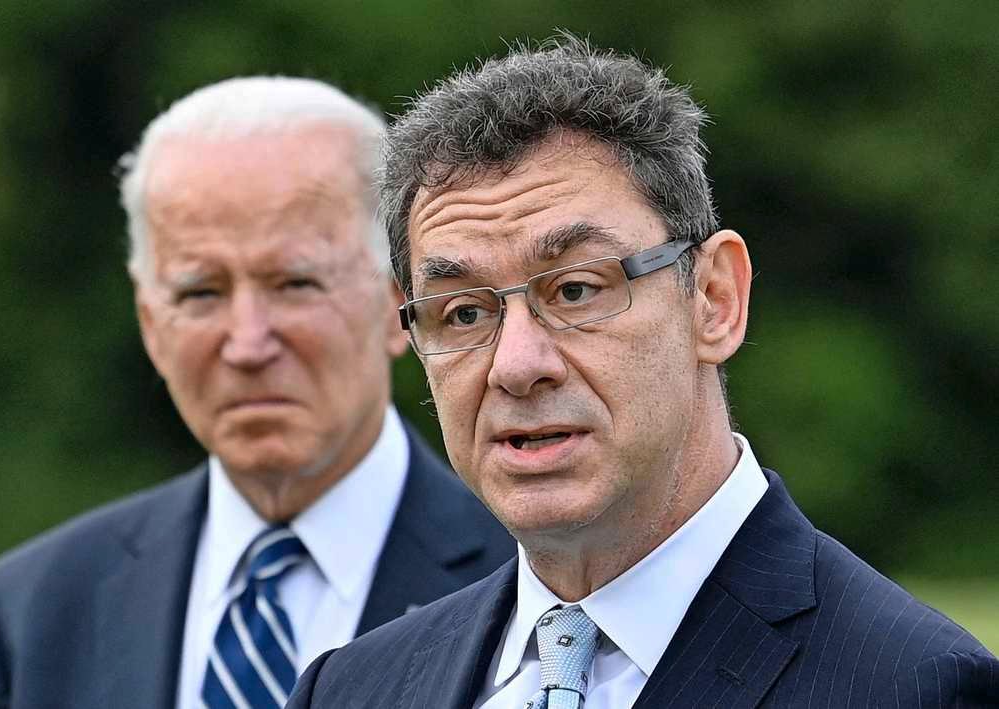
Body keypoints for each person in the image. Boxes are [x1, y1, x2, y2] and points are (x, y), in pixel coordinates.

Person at [287, 36, 999, 708]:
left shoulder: (916, 686)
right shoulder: (349, 689)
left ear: (715, 298)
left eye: (575, 290)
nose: (517, 365)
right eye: (464, 312)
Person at [0, 76, 515, 709]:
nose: (247, 343)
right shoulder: (27, 619)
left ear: (394, 304)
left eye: (295, 283)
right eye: (201, 293)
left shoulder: (537, 583)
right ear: (151, 322)